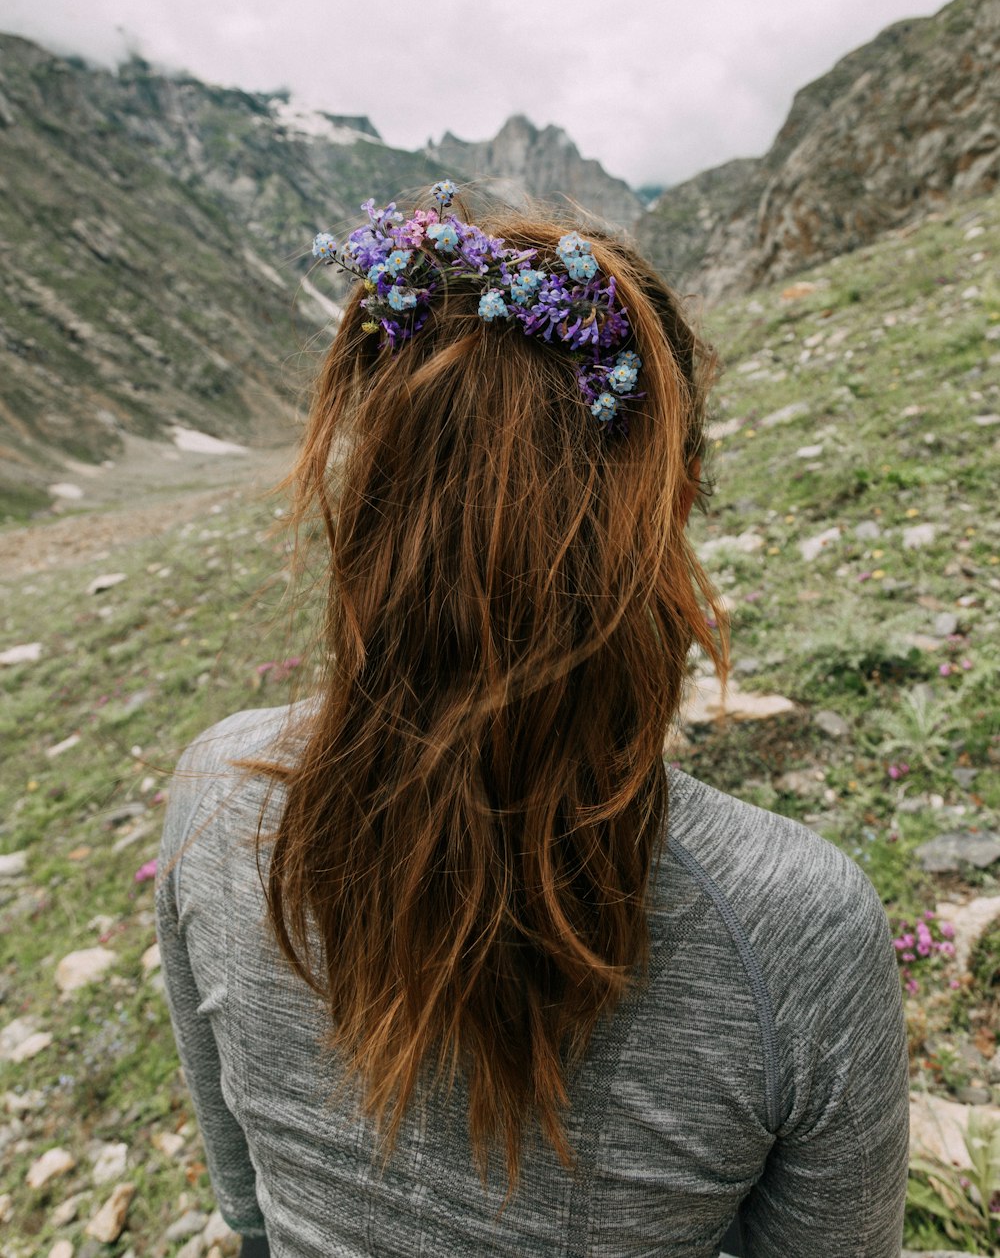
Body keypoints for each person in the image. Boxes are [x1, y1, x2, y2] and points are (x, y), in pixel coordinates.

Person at [155, 188, 910, 1257]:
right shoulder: (796, 931)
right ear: (673, 501)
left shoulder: (213, 792)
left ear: (374, 488)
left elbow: (246, 1211)